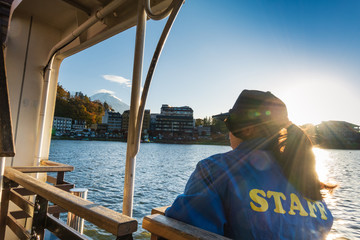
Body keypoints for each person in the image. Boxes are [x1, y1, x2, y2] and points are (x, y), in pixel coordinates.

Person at [165, 90, 335, 239]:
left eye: (229, 124)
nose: (228, 133)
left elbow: (184, 229)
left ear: (246, 129)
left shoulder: (215, 169)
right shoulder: (307, 180)